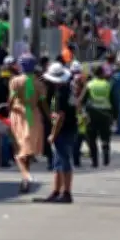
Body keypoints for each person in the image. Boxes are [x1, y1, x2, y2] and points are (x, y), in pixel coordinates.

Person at [37, 62, 77, 203]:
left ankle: (65, 192)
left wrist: (53, 134)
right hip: (71, 128)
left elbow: (61, 116)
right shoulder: (69, 89)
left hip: (63, 130)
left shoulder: (60, 94)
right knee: (59, 162)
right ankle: (57, 191)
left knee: (62, 162)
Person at [9, 54, 48, 193]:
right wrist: (49, 117)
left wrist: (8, 109)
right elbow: (43, 103)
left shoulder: (15, 81)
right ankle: (25, 177)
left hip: (18, 114)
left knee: (19, 149)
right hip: (33, 115)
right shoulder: (38, 83)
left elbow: (11, 99)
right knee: (28, 149)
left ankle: (26, 176)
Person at [81, 65, 115, 168]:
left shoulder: (90, 84)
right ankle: (105, 157)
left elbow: (83, 100)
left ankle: (95, 161)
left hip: (92, 114)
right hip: (105, 113)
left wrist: (83, 112)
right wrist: (115, 115)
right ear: (102, 73)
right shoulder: (107, 85)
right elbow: (113, 100)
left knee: (92, 138)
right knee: (105, 137)